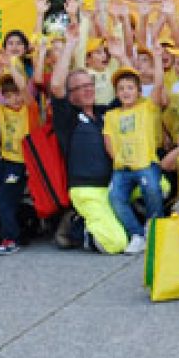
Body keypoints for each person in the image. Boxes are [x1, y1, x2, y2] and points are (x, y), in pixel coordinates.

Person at [49, 23, 129, 255]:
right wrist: (70, 44)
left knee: (159, 185)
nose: (88, 90)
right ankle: (78, 227)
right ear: (70, 94)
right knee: (116, 244)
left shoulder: (104, 113)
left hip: (113, 185)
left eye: (89, 84)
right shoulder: (68, 117)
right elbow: (56, 85)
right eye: (80, 87)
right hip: (87, 190)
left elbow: (133, 90)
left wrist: (121, 57)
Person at [103, 65, 166, 254]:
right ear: (116, 93)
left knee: (152, 188)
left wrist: (157, 58)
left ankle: (153, 227)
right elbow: (108, 140)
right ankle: (137, 234)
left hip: (145, 163)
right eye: (121, 89)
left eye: (130, 88)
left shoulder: (147, 107)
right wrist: (118, 159)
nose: (126, 92)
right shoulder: (111, 115)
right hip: (122, 168)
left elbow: (159, 84)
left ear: (139, 91)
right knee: (115, 198)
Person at [0, 55, 40, 255]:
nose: (13, 99)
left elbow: (24, 89)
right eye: (8, 95)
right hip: (5, 161)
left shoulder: (29, 110)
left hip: (21, 163)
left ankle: (11, 238)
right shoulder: (2, 110)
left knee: (5, 199)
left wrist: (12, 67)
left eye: (16, 94)